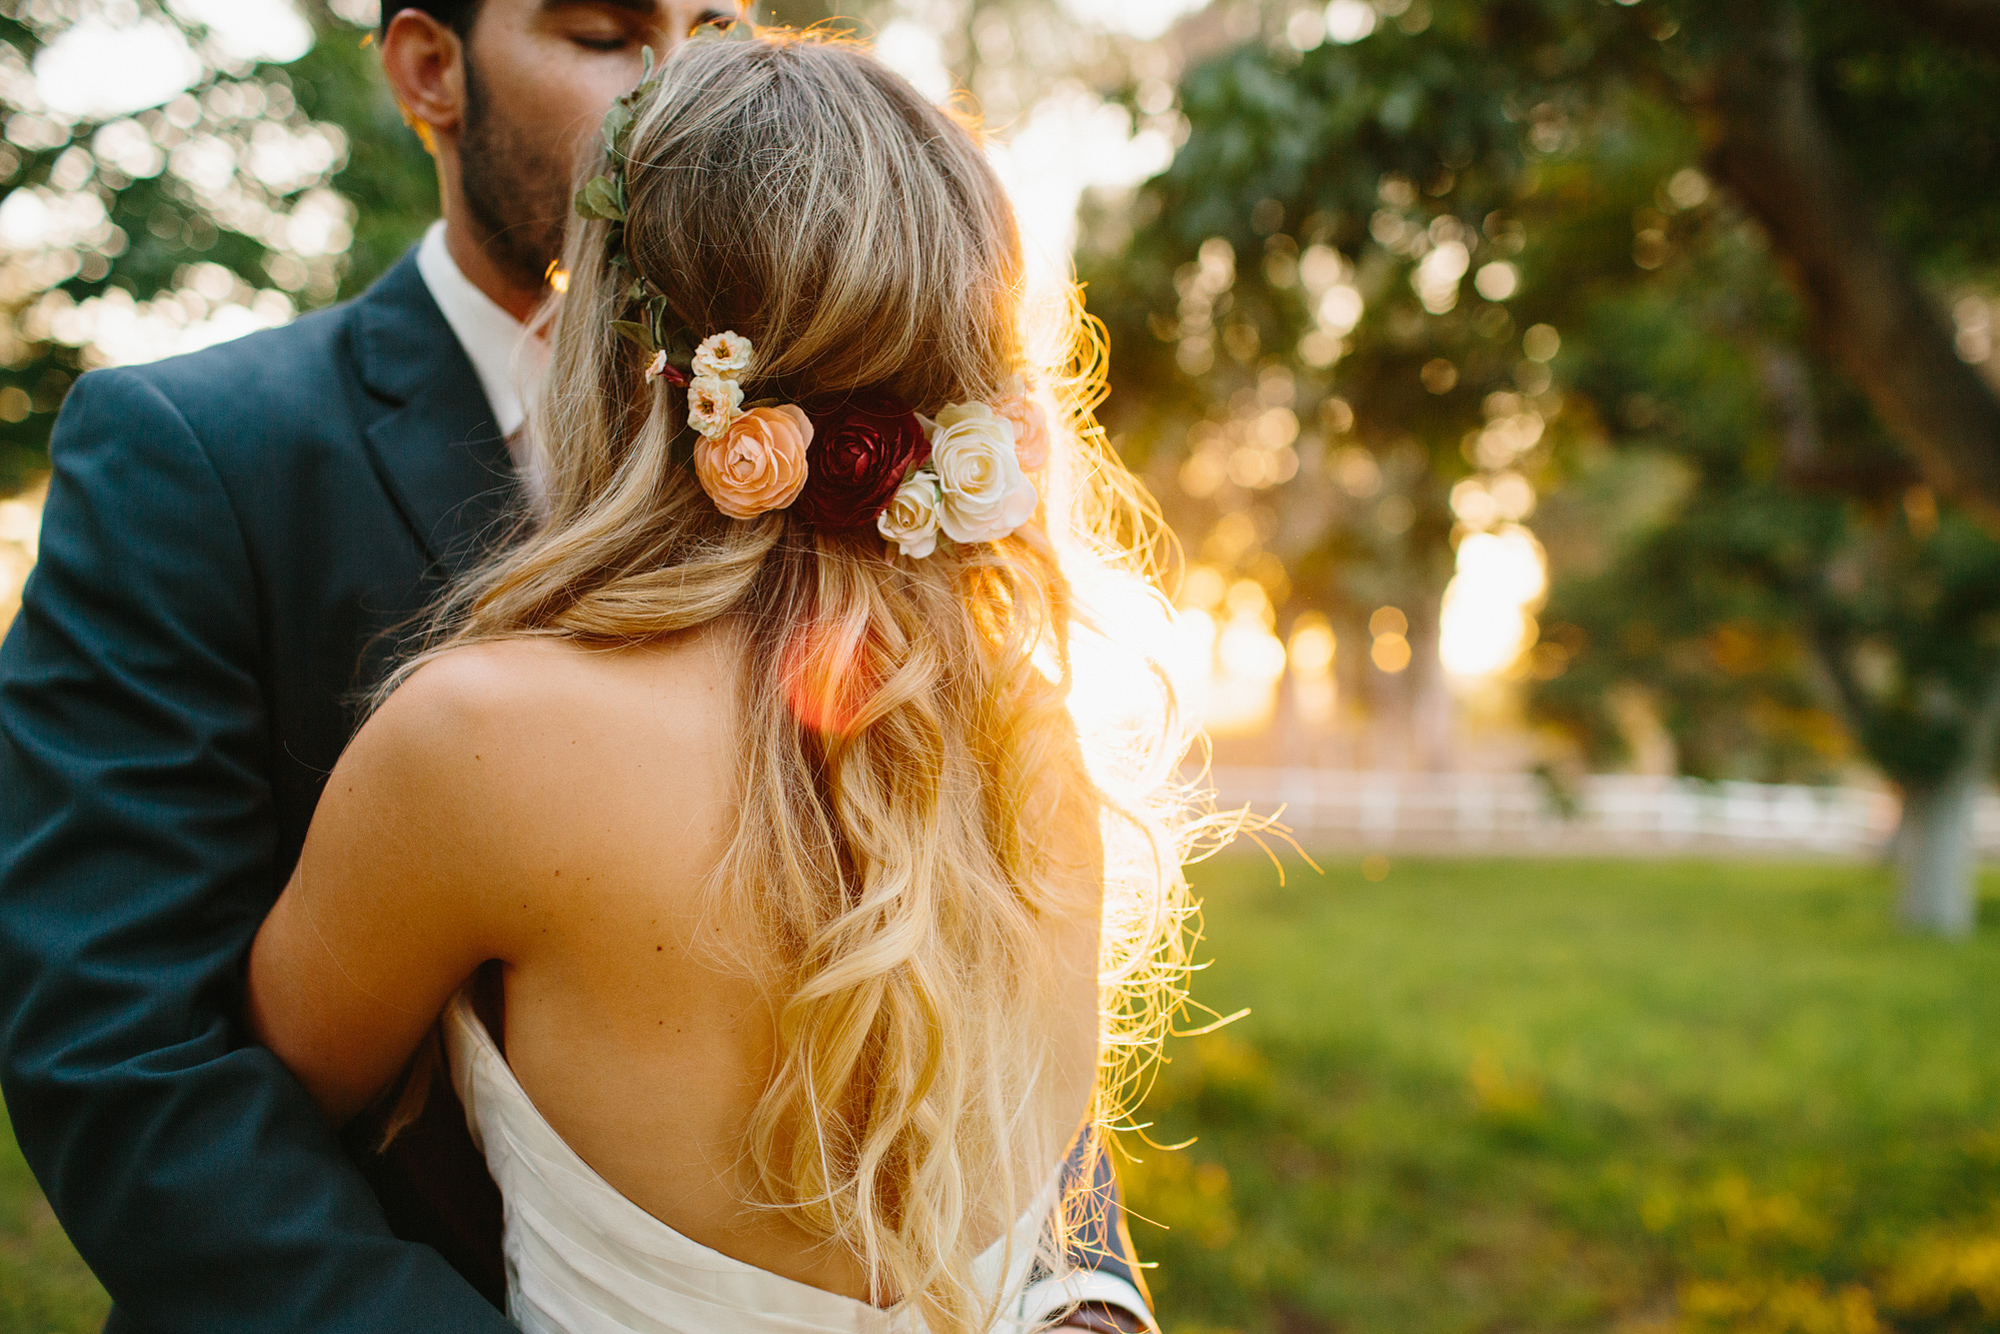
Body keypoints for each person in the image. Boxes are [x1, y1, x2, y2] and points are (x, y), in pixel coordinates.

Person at [0, 2, 1158, 1330]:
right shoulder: (194, 455)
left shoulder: (993, 705)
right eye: (608, 33)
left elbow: (1005, 1082)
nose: (679, 82)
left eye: (719, 24)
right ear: (432, 72)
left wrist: (1085, 1296)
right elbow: (133, 1056)